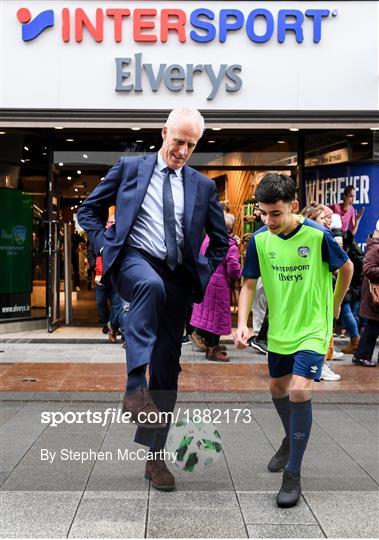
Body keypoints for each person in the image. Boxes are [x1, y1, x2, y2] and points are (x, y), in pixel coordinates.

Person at [78, 108, 229, 492]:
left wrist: (201, 273)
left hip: (177, 276)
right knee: (150, 286)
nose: (182, 151)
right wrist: (106, 246)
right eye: (178, 141)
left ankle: (154, 458)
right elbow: (89, 211)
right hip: (134, 260)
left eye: (191, 145)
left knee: (166, 370)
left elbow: (220, 241)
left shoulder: (203, 186)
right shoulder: (130, 168)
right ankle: (133, 387)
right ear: (163, 132)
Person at [235, 173, 353, 508]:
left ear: (294, 206)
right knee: (277, 388)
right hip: (280, 330)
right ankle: (291, 439)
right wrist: (242, 324)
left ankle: (293, 473)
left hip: (313, 327)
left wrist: (334, 305)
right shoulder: (259, 240)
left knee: (300, 389)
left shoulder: (317, 235)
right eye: (263, 213)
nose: (268, 220)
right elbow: (247, 284)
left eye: (276, 213)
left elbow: (346, 269)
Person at [190, 213, 242, 362]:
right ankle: (212, 349)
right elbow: (233, 270)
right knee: (217, 318)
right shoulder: (229, 244)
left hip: (206, 281)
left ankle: (209, 344)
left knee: (209, 315)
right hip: (219, 286)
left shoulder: (208, 238)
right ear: (231, 228)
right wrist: (240, 273)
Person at [300, 203, 341, 381]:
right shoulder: (313, 238)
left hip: (319, 294)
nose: (326, 222)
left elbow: (343, 267)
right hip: (310, 296)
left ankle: (318, 365)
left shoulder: (324, 237)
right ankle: (317, 367)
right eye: (322, 218)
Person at [353, 220, 379, 367]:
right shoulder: (375, 248)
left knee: (373, 326)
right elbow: (368, 269)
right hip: (374, 294)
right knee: (372, 327)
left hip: (374, 293)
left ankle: (362, 355)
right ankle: (361, 355)